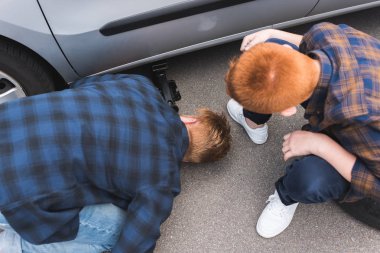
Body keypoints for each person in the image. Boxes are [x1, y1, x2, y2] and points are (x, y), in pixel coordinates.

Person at [0, 74, 231, 253]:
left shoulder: (141, 85)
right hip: (11, 193)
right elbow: (134, 244)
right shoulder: (163, 180)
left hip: (8, 120)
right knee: (116, 232)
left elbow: (81, 84)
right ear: (190, 159)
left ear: (191, 119)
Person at [224, 22, 380, 238]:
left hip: (368, 146)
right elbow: (301, 43)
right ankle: (254, 122)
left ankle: (286, 196)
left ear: (288, 111)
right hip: (353, 87)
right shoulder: (323, 33)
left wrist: (318, 144)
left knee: (310, 179)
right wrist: (272, 33)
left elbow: (376, 183)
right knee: (269, 47)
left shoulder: (362, 118)